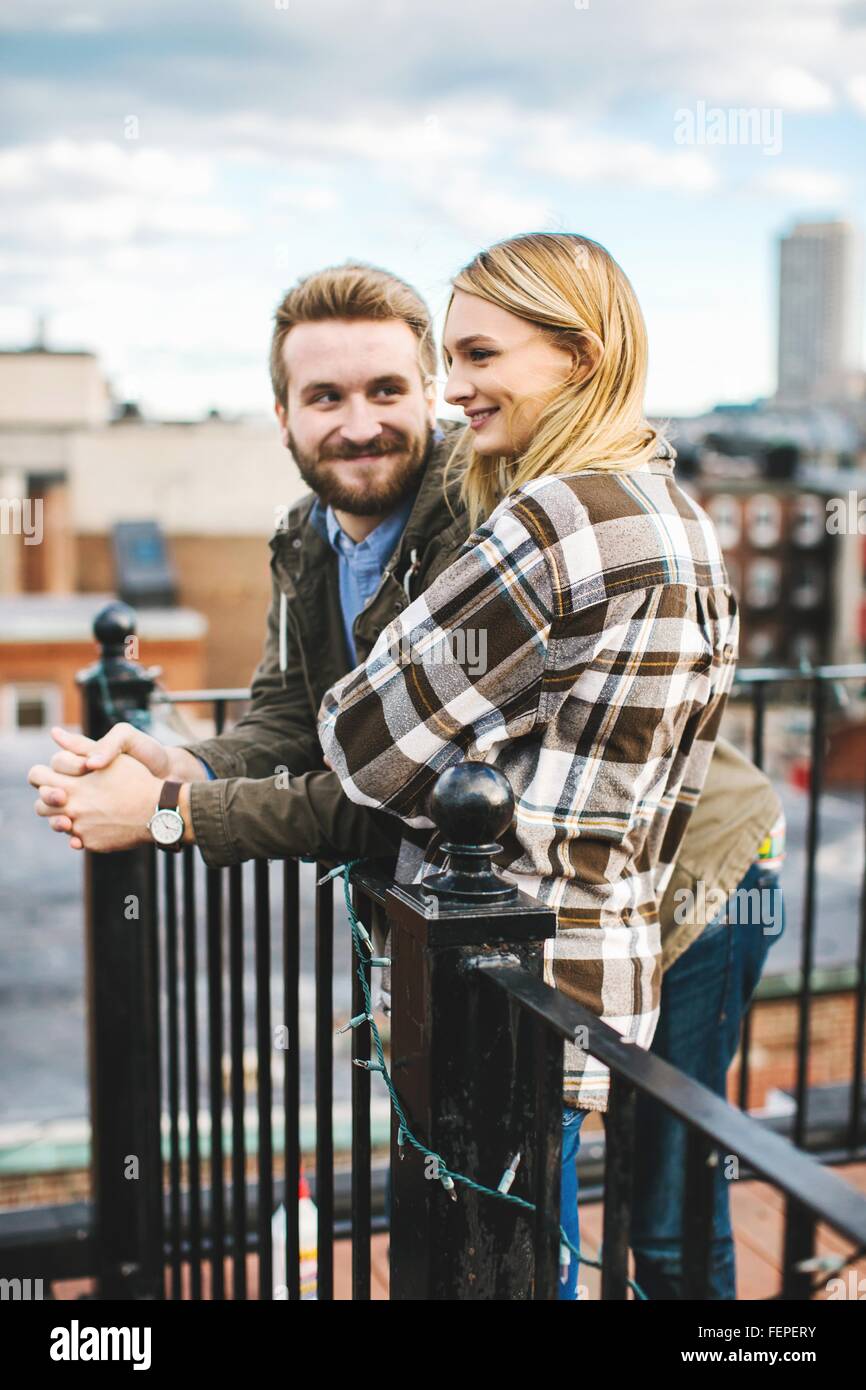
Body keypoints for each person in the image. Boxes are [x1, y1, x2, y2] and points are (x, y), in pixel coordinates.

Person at [29, 256, 785, 1299]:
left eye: (388, 390)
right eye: (324, 397)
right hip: (524, 894)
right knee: (514, 1196)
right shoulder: (305, 535)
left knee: (663, 1223)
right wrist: (183, 757)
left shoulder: (487, 509)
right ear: (282, 412)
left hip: (687, 872)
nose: (358, 424)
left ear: (429, 389)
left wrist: (169, 816)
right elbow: (294, 715)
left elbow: (395, 789)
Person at [316, 231, 740, 1300]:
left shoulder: (558, 517)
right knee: (541, 1251)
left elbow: (360, 744)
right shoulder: (681, 520)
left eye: (479, 356)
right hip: (600, 973)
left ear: (581, 357)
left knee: (494, 1270)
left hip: (495, 986)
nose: (454, 389)